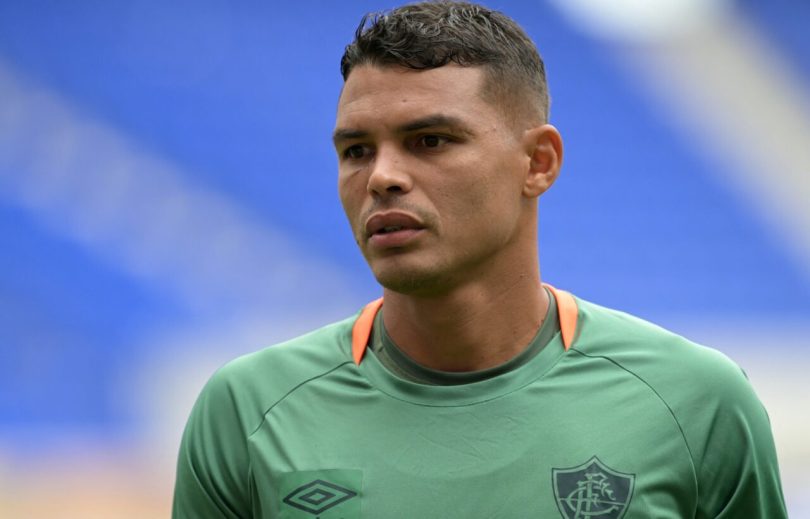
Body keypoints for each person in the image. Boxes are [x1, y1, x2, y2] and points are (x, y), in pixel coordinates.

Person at [172, 2, 787, 517]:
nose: (382, 177)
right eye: (356, 150)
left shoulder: (694, 403)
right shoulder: (248, 409)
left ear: (538, 163)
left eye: (429, 140)